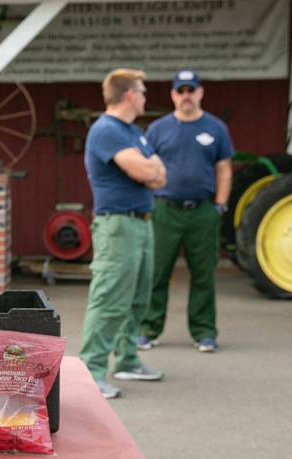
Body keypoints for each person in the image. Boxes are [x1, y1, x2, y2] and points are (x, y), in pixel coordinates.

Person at [80, 68, 166, 400]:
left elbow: (161, 178)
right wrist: (150, 168)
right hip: (118, 225)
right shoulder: (107, 130)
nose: (145, 97)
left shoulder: (133, 133)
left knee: (138, 297)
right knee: (110, 298)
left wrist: (151, 170)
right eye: (142, 91)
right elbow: (148, 170)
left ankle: (127, 359)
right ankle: (92, 369)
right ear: (129, 94)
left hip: (141, 222)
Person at [138, 70, 234, 353]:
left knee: (203, 273)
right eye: (180, 91)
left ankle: (204, 332)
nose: (186, 96)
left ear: (200, 93)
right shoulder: (158, 129)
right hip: (164, 209)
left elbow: (224, 169)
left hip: (203, 210)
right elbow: (145, 169)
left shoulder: (215, 128)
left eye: (191, 90)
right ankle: (148, 329)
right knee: (156, 272)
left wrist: (220, 204)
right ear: (173, 95)